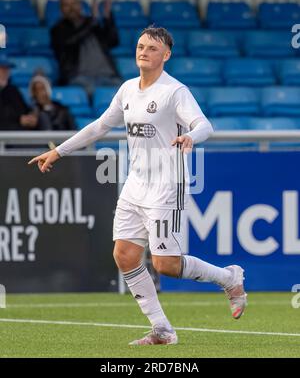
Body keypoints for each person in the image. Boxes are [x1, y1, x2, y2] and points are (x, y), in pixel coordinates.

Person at [28, 27, 247, 346]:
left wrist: (190, 136)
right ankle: (162, 329)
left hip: (166, 185)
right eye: (140, 46)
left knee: (165, 265)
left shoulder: (175, 91)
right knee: (125, 255)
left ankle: (229, 277)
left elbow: (204, 125)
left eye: (152, 48)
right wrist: (59, 150)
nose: (143, 51)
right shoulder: (128, 89)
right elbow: (100, 126)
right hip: (136, 184)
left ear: (166, 55)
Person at [50, 0, 121, 96]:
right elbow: (70, 42)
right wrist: (93, 21)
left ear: (80, 5)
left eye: (74, 3)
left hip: (108, 76)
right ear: (61, 9)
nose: (71, 8)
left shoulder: (91, 23)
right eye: (66, 5)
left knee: (129, 97)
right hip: (79, 78)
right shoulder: (58, 29)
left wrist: (107, 18)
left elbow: (113, 42)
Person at [0, 54, 50, 131]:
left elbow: (24, 111)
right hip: (6, 136)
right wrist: (18, 120)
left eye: (7, 69)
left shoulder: (13, 91)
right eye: (2, 69)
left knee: (43, 118)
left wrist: (31, 117)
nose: (5, 73)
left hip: (19, 136)